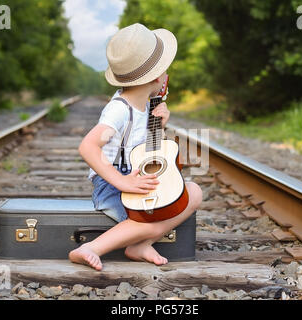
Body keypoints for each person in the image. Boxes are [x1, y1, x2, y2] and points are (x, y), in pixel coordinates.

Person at [69, 23, 203, 271]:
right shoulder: (119, 109)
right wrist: (122, 183)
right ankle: (89, 248)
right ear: (156, 78)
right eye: (165, 71)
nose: (166, 77)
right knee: (153, 217)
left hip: (137, 178)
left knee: (193, 192)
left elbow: (149, 154)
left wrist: (161, 126)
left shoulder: (148, 105)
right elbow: (88, 146)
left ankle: (141, 245)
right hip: (111, 184)